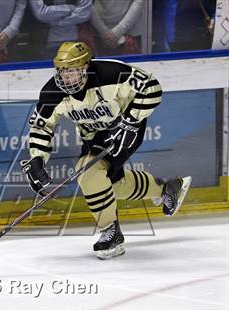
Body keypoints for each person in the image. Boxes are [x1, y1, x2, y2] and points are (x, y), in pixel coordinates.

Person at [21, 42, 192, 259]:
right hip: (93, 136)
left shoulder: (111, 73)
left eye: (73, 71)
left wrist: (130, 121)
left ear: (85, 67)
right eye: (63, 72)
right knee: (111, 185)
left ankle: (111, 233)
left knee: (88, 173)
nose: (67, 78)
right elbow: (41, 126)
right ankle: (167, 189)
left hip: (124, 129)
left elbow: (151, 87)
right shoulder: (51, 93)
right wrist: (37, 159)